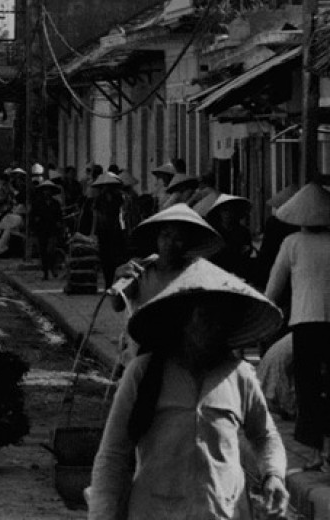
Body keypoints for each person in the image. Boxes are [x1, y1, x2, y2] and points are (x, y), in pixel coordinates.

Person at [89, 259, 288, 519]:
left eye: (221, 319)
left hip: (224, 510)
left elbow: (264, 435)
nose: (215, 327)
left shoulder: (238, 374)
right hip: (156, 510)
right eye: (206, 317)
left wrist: (274, 475)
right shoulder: (143, 372)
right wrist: (103, 513)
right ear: (185, 322)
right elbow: (113, 454)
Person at [266, 182, 330, 469]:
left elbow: (274, 288)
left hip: (305, 322)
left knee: (309, 387)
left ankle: (316, 453)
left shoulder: (291, 243)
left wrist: (265, 311)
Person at [111, 203, 223, 365]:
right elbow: (117, 305)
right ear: (157, 238)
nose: (170, 243)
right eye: (166, 235)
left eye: (179, 239)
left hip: (179, 358)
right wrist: (117, 279)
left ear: (187, 243)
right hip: (141, 357)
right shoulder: (141, 270)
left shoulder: (195, 276)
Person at [204, 194, 254, 281]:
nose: (228, 213)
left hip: (238, 272)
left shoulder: (243, 231)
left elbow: (246, 251)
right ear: (219, 212)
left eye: (231, 210)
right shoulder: (212, 231)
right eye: (225, 210)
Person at [91, 172, 128, 289]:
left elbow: (122, 214)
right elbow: (96, 216)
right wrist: (93, 233)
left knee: (115, 258)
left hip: (115, 231)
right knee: (105, 258)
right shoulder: (99, 199)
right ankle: (108, 284)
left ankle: (113, 282)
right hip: (103, 231)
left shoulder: (119, 198)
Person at [31, 180, 65, 281]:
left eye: (49, 190)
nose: (47, 192)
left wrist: (59, 225)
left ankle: (53, 268)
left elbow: (59, 216)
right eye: (45, 190)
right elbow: (33, 216)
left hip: (53, 230)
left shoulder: (56, 203)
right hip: (41, 230)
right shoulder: (38, 203)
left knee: (51, 250)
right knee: (43, 252)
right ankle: (45, 272)